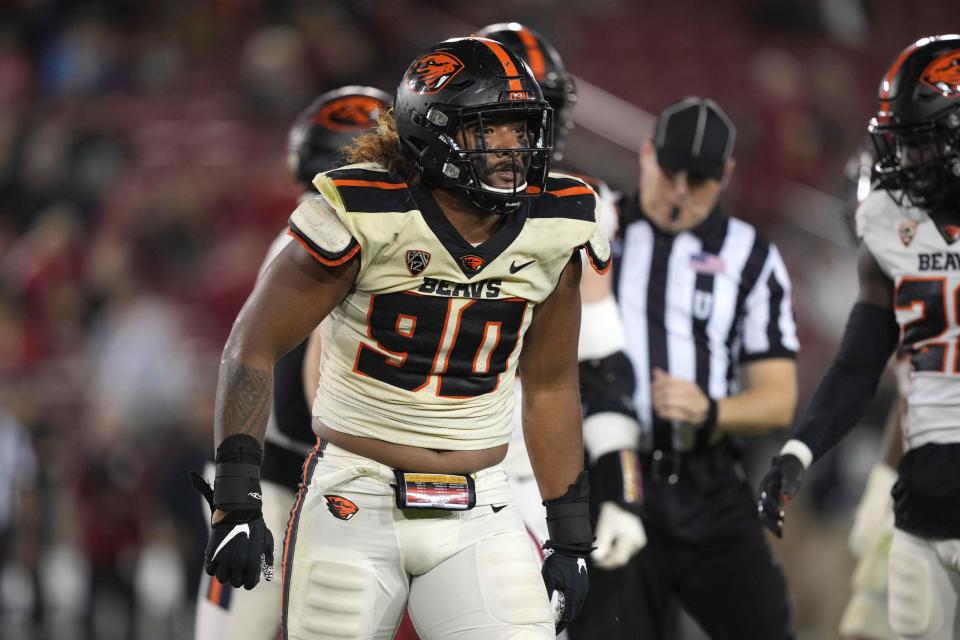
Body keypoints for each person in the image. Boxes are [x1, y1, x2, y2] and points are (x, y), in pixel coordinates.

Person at [194, 36, 607, 639]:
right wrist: (236, 494)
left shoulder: (552, 229)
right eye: (491, 130)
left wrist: (568, 533)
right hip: (354, 498)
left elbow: (549, 385)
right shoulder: (365, 212)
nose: (514, 149)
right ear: (434, 130)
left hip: (481, 507)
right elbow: (250, 347)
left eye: (521, 129)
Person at [572, 96, 800, 639]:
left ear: (726, 176)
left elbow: (778, 399)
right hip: (612, 478)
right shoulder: (599, 227)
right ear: (646, 153)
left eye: (697, 180)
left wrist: (713, 409)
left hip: (709, 483)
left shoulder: (752, 257)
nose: (678, 190)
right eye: (670, 170)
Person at [759, 34, 960, 640]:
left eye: (922, 142)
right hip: (926, 492)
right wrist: (801, 449)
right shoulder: (891, 219)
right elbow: (860, 362)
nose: (904, 161)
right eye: (900, 141)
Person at [192, 85, 391, 640]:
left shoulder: (317, 234)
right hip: (288, 475)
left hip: (313, 473)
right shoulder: (319, 240)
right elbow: (300, 393)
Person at [471, 21, 647, 575]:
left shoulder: (573, 211)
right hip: (393, 463)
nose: (518, 137)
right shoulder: (395, 208)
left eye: (533, 115)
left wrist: (623, 491)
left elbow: (600, 363)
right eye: (500, 117)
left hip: (518, 473)